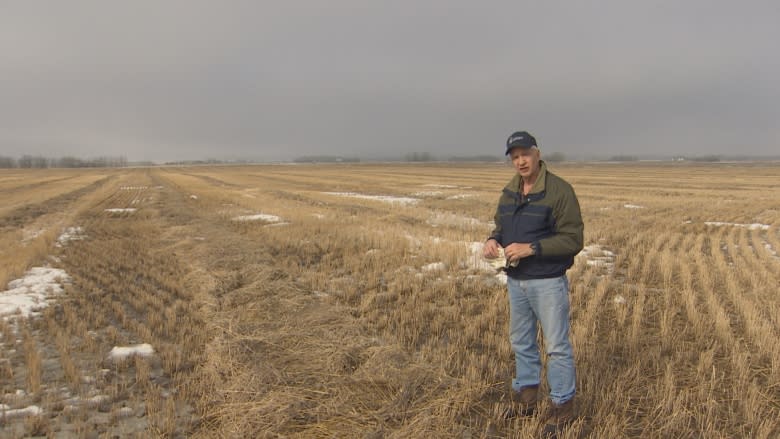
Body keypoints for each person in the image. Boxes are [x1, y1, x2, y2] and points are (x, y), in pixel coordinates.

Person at [483, 130, 583, 437]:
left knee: (556, 347)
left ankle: (561, 407)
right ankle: (527, 400)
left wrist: (533, 248)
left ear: (537, 154)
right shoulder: (510, 192)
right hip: (517, 282)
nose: (520, 161)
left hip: (548, 282)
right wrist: (492, 240)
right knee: (522, 342)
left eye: (525, 154)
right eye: (514, 157)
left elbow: (573, 239)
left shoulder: (559, 191)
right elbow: (501, 226)